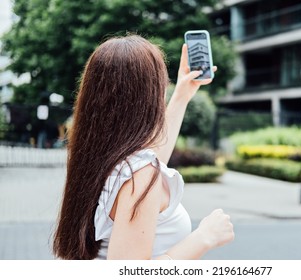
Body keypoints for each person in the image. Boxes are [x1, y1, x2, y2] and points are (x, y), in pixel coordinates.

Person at [53, 34, 234, 260]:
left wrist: (182, 95)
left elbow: (151, 158)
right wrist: (204, 238)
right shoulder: (139, 176)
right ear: (147, 97)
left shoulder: (99, 158)